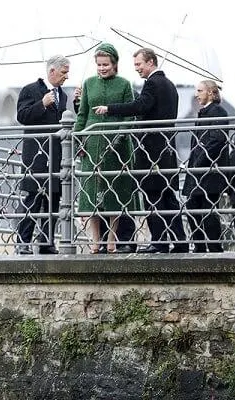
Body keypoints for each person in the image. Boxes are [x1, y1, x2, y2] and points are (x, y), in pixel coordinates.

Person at [93, 47, 188, 253]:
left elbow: (141, 106)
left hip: (151, 150)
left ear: (151, 62)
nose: (137, 69)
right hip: (166, 149)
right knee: (168, 197)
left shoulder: (152, 84)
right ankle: (180, 241)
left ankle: (159, 242)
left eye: (139, 64)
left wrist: (110, 108)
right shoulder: (170, 85)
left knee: (153, 196)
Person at [74, 43, 138, 254]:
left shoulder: (124, 84)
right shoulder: (88, 83)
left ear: (115, 64)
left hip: (117, 146)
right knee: (91, 193)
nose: (102, 68)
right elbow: (82, 115)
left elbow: (129, 115)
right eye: (99, 65)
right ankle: (95, 240)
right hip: (92, 142)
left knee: (115, 191)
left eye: (106, 64)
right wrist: (78, 139)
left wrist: (119, 136)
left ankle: (111, 238)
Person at [16, 55, 70, 255]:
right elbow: (22, 116)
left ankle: (46, 242)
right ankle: (23, 242)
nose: (66, 77)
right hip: (36, 156)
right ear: (52, 71)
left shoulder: (63, 95)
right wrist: (41, 104)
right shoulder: (30, 89)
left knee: (53, 199)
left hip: (55, 155)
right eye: (64, 72)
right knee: (32, 199)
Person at [182, 80, 228, 252]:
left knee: (207, 211)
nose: (196, 94)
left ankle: (214, 248)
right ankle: (201, 247)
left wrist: (199, 161)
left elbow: (217, 140)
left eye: (200, 90)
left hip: (209, 171)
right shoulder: (206, 112)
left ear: (210, 92)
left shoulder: (217, 111)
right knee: (193, 208)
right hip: (200, 171)